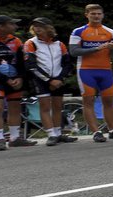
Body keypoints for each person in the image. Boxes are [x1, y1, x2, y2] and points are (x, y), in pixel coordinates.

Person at [69, 4, 113, 142]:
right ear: (87, 15)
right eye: (93, 14)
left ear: (102, 15)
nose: (96, 16)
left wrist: (112, 48)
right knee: (88, 101)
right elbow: (73, 52)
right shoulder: (78, 31)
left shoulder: (110, 32)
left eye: (99, 14)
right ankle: (96, 132)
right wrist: (97, 48)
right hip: (86, 70)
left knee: (108, 101)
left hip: (105, 70)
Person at [23, 18, 77, 146]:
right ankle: (51, 134)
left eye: (40, 26)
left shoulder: (59, 44)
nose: (37, 28)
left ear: (49, 27)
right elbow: (31, 65)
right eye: (35, 26)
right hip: (41, 80)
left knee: (58, 107)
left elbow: (68, 64)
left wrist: (60, 78)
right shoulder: (31, 43)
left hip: (58, 79)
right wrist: (49, 80)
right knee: (45, 107)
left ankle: (58, 133)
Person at [0, 15, 36, 149]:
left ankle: (14, 138)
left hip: (15, 78)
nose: (15, 26)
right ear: (1, 26)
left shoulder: (16, 40)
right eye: (11, 24)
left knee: (15, 106)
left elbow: (22, 62)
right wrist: (6, 79)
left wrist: (20, 77)